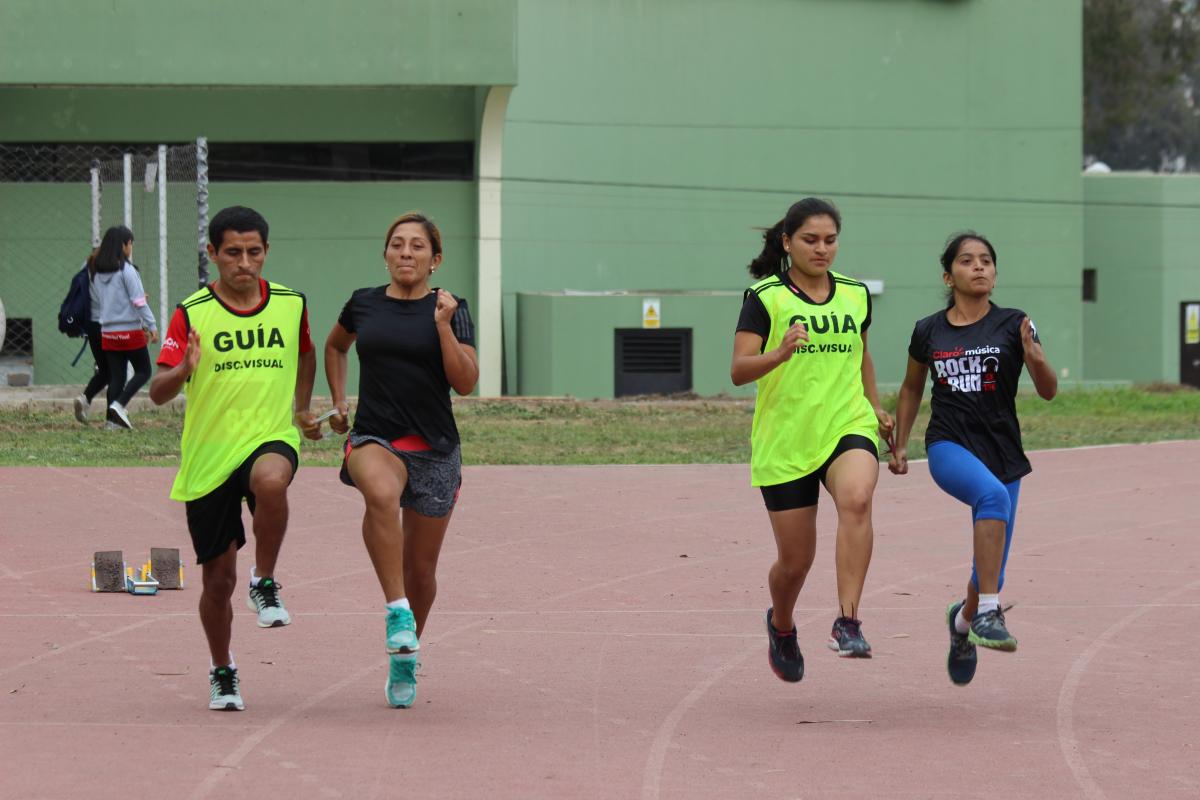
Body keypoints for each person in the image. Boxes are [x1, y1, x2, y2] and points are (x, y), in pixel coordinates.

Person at [149, 206, 320, 711]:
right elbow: (158, 392)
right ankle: (223, 671)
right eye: (233, 253)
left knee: (272, 480)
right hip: (209, 458)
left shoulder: (291, 304)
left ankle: (264, 581)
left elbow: (307, 351)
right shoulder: (191, 312)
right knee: (217, 582)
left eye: (254, 252)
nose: (244, 262)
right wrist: (184, 368)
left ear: (266, 252)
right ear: (213, 254)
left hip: (270, 435)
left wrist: (303, 407)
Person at [731, 197, 894, 683]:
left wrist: (875, 407)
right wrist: (779, 353)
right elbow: (739, 370)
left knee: (858, 499)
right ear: (787, 242)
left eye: (830, 240)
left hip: (847, 423)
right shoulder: (765, 298)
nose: (822, 249)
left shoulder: (855, 295)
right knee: (795, 562)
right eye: (810, 240)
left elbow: (860, 355)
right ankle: (781, 623)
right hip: (787, 439)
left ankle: (848, 622)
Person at [888, 231, 1057, 687]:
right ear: (949, 275)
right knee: (990, 498)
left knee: (988, 566)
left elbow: (1047, 390)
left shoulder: (1015, 323)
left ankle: (962, 624)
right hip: (948, 444)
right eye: (967, 261)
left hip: (1003, 450)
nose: (979, 267)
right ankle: (988, 612)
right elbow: (910, 388)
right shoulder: (929, 330)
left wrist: (1037, 359)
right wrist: (901, 444)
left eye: (986, 260)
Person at [324, 211, 478, 708]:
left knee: (422, 571)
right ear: (386, 253)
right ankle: (396, 610)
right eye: (397, 244)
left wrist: (442, 327)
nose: (405, 253)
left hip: (434, 448)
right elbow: (335, 345)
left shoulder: (452, 308)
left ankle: (405, 651)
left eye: (416, 247)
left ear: (435, 260)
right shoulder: (364, 303)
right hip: (375, 437)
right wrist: (340, 402)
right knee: (380, 493)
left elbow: (467, 381)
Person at [89, 226, 157, 429]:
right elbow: (138, 302)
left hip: (108, 332)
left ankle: (111, 422)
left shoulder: (97, 272)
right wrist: (151, 325)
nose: (131, 247)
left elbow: (105, 300)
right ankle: (119, 405)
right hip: (129, 331)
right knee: (144, 371)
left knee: (116, 377)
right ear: (123, 245)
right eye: (130, 243)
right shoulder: (127, 270)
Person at [72, 247, 109, 424]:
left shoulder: (86, 267)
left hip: (91, 327)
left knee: (105, 370)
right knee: (116, 371)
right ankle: (114, 414)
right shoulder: (112, 269)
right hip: (109, 326)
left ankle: (85, 399)